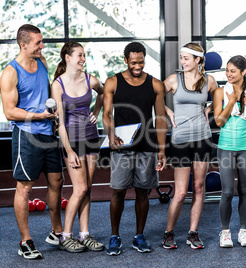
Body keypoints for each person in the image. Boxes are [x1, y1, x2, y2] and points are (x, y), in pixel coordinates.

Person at [0, 24, 63, 259]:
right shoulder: (10, 72)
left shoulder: (42, 62)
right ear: (23, 44)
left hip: (48, 132)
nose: (42, 46)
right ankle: (25, 240)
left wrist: (54, 114)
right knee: (25, 188)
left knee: (57, 180)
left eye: (42, 41)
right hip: (27, 134)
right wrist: (39, 116)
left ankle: (57, 232)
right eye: (38, 43)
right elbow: (10, 112)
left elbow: (47, 92)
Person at [102, 42, 167, 255]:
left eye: (141, 62)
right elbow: (106, 114)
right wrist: (110, 135)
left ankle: (139, 236)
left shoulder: (155, 85)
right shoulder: (113, 82)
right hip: (122, 145)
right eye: (133, 62)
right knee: (118, 191)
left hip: (147, 146)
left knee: (143, 192)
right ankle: (115, 236)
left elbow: (160, 118)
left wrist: (162, 149)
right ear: (125, 60)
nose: (137, 66)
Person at [162, 43, 218, 250]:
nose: (182, 62)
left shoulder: (209, 81)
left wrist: (209, 109)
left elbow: (222, 96)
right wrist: (167, 112)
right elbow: (153, 96)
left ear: (198, 60)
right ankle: (168, 233)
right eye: (181, 58)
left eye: (186, 58)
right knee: (180, 192)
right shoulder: (173, 79)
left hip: (203, 138)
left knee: (199, 187)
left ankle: (193, 233)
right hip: (180, 140)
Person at [51, 41, 104, 253]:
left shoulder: (90, 79)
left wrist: (97, 112)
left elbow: (103, 93)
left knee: (88, 189)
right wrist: (69, 150)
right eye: (79, 55)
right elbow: (60, 123)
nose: (83, 59)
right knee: (79, 188)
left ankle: (84, 234)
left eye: (84, 55)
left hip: (91, 137)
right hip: (71, 140)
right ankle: (66, 236)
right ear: (68, 57)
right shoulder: (58, 84)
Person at [213, 55, 246, 248]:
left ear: (243, 72)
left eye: (233, 71)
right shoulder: (220, 92)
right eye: (227, 70)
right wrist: (231, 102)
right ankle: (225, 232)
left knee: (244, 190)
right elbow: (219, 122)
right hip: (226, 147)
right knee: (227, 192)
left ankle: (243, 231)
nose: (228, 74)